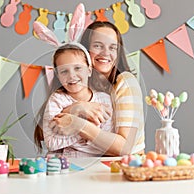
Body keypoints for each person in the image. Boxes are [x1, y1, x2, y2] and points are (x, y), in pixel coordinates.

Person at [51, 21, 145, 156]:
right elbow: (50, 129)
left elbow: (124, 148)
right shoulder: (77, 83)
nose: (106, 53)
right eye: (97, 46)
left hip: (125, 166)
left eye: (113, 47)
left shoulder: (125, 82)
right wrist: (76, 108)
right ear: (85, 50)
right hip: (86, 165)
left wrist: (78, 124)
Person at [34, 43, 113, 157]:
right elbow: (51, 143)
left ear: (89, 70)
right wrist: (85, 130)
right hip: (64, 163)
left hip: (97, 163)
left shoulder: (104, 100)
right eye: (64, 71)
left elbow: (107, 142)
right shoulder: (57, 100)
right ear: (57, 75)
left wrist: (75, 126)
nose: (71, 76)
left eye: (77, 68)